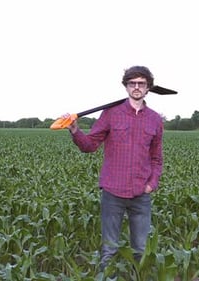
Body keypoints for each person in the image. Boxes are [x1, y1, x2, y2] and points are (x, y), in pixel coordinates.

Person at [62, 66, 164, 272]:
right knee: (109, 249)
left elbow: (156, 158)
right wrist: (74, 129)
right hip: (113, 192)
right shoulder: (111, 114)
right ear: (126, 86)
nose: (136, 87)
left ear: (148, 88)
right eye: (132, 83)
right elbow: (89, 146)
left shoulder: (155, 119)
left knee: (141, 249)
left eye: (141, 83)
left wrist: (152, 184)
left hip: (140, 194)